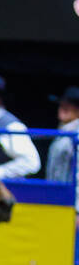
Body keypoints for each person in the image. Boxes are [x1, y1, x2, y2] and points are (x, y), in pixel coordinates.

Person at [45, 86, 79, 223]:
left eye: (69, 106)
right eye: (62, 104)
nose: (62, 107)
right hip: (58, 202)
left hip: (70, 205)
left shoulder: (75, 134)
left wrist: (77, 210)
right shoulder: (64, 132)